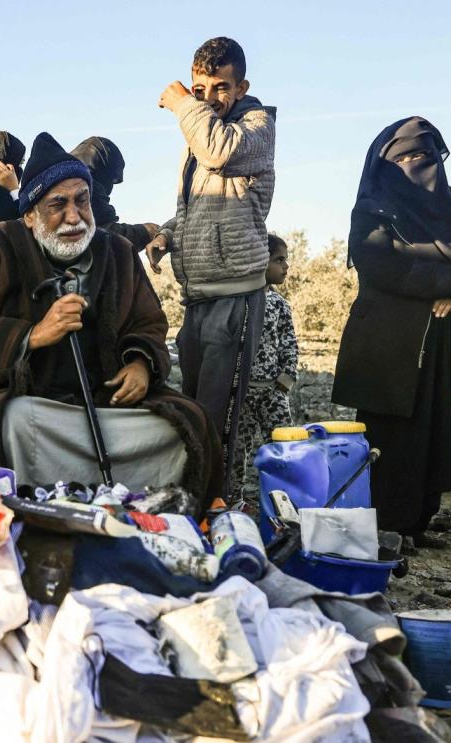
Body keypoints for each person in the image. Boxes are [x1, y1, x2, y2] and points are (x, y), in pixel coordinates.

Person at [0, 133, 222, 514]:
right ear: (28, 214)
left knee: (188, 427)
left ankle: (140, 510)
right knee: (15, 425)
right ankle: (39, 513)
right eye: (57, 204)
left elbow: (148, 322)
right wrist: (32, 335)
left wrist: (140, 364)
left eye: (82, 201)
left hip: (107, 407)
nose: (74, 216)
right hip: (33, 407)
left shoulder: (117, 252)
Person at [332, 116, 451, 551]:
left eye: (422, 155)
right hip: (390, 342)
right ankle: (387, 524)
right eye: (402, 157)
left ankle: (420, 521)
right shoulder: (372, 210)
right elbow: (382, 266)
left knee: (434, 428)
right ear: (384, 164)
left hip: (443, 339)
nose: (413, 164)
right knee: (389, 434)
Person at [143, 37, 277, 497]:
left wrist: (182, 104)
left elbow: (219, 152)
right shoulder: (202, 129)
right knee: (196, 408)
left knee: (221, 417)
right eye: (199, 88)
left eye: (220, 87)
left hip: (235, 295)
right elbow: (201, 205)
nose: (209, 98)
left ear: (241, 87)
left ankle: (219, 503)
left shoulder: (255, 129)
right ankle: (196, 497)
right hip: (198, 295)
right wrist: (167, 233)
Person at [235, 234, 298, 497]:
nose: (285, 266)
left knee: (283, 445)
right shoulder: (239, 301)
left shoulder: (280, 304)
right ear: (261, 261)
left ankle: (286, 498)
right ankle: (232, 499)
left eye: (286, 260)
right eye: (279, 260)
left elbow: (289, 343)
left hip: (272, 391)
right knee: (237, 450)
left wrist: (286, 378)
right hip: (242, 392)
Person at [70, 136, 159, 249]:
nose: (111, 186)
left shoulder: (58, 179)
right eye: (112, 179)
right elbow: (104, 236)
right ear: (104, 171)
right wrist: (146, 232)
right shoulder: (82, 186)